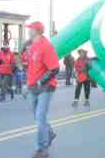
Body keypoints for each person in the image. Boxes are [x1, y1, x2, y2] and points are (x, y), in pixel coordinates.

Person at [26, 21, 60, 158]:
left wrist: (41, 81)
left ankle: (42, 149)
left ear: (37, 31)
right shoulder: (32, 46)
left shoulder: (46, 46)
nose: (28, 31)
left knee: (40, 117)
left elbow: (55, 68)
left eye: (30, 29)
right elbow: (33, 68)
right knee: (37, 116)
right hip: (33, 86)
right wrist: (27, 84)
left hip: (45, 87)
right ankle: (49, 133)